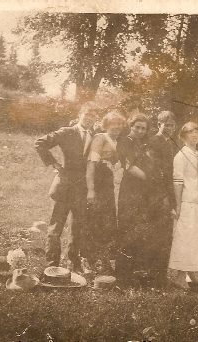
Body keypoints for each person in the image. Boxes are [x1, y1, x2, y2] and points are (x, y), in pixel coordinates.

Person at [34, 101, 99, 272]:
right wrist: (55, 164)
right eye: (87, 115)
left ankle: (73, 262)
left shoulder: (95, 136)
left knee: (77, 227)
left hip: (82, 188)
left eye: (93, 116)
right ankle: (52, 264)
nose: (89, 119)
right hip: (64, 186)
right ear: (79, 115)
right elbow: (40, 143)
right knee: (56, 227)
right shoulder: (67, 132)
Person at [116, 113, 164, 283]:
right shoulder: (124, 142)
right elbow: (129, 166)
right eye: (137, 127)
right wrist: (151, 180)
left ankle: (136, 271)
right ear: (131, 126)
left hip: (144, 192)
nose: (140, 131)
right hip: (130, 190)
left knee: (140, 229)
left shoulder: (143, 143)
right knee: (127, 228)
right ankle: (122, 274)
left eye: (143, 128)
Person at [85, 110, 126, 275]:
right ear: (106, 125)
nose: (116, 128)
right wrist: (90, 190)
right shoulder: (100, 138)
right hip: (98, 182)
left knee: (108, 221)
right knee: (94, 221)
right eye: (112, 125)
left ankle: (104, 259)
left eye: (119, 126)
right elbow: (91, 166)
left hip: (109, 185)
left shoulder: (119, 141)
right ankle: (88, 260)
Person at [169, 121, 198, 290]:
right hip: (186, 202)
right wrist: (178, 205)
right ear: (183, 136)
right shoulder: (181, 156)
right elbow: (177, 182)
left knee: (195, 240)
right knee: (185, 239)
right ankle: (179, 276)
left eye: (197, 131)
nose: (194, 134)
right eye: (190, 132)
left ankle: (190, 274)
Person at [147, 110, 178, 285]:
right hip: (155, 195)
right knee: (155, 235)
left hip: (167, 192)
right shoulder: (153, 141)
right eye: (165, 125)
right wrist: (164, 197)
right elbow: (154, 172)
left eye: (172, 125)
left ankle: (160, 275)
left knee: (165, 235)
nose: (169, 128)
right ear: (159, 125)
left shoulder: (170, 143)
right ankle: (152, 275)